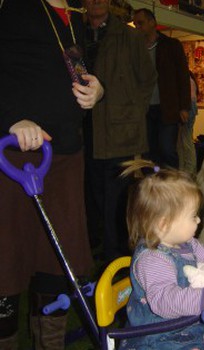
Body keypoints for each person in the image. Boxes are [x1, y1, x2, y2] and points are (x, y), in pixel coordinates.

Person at [0, 0, 104, 348]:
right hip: (11, 156)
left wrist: (96, 91)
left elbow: (68, 70)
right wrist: (10, 117)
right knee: (6, 262)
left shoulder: (74, 17)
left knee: (58, 260)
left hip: (65, 157)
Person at [118, 160, 204, 349]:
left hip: (186, 329)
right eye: (193, 216)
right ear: (164, 224)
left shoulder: (185, 243)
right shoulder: (152, 260)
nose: (199, 220)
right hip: (158, 339)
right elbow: (164, 300)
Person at [82, 0, 156, 261]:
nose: (96, 1)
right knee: (91, 195)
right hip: (85, 131)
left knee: (117, 198)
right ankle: (92, 248)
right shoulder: (74, 34)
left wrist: (132, 110)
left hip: (120, 132)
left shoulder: (130, 36)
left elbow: (147, 80)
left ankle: (117, 257)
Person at [133, 8, 192, 169]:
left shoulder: (171, 45)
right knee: (147, 152)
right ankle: (152, 187)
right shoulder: (135, 48)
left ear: (152, 23)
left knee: (167, 149)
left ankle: (171, 184)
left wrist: (184, 107)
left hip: (168, 108)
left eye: (141, 23)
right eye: (135, 23)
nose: (137, 26)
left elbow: (182, 77)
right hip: (144, 109)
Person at [177, 71, 199, 175]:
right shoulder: (190, 79)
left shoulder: (184, 79)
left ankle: (188, 170)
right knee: (186, 139)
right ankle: (188, 170)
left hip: (186, 107)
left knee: (185, 141)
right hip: (191, 107)